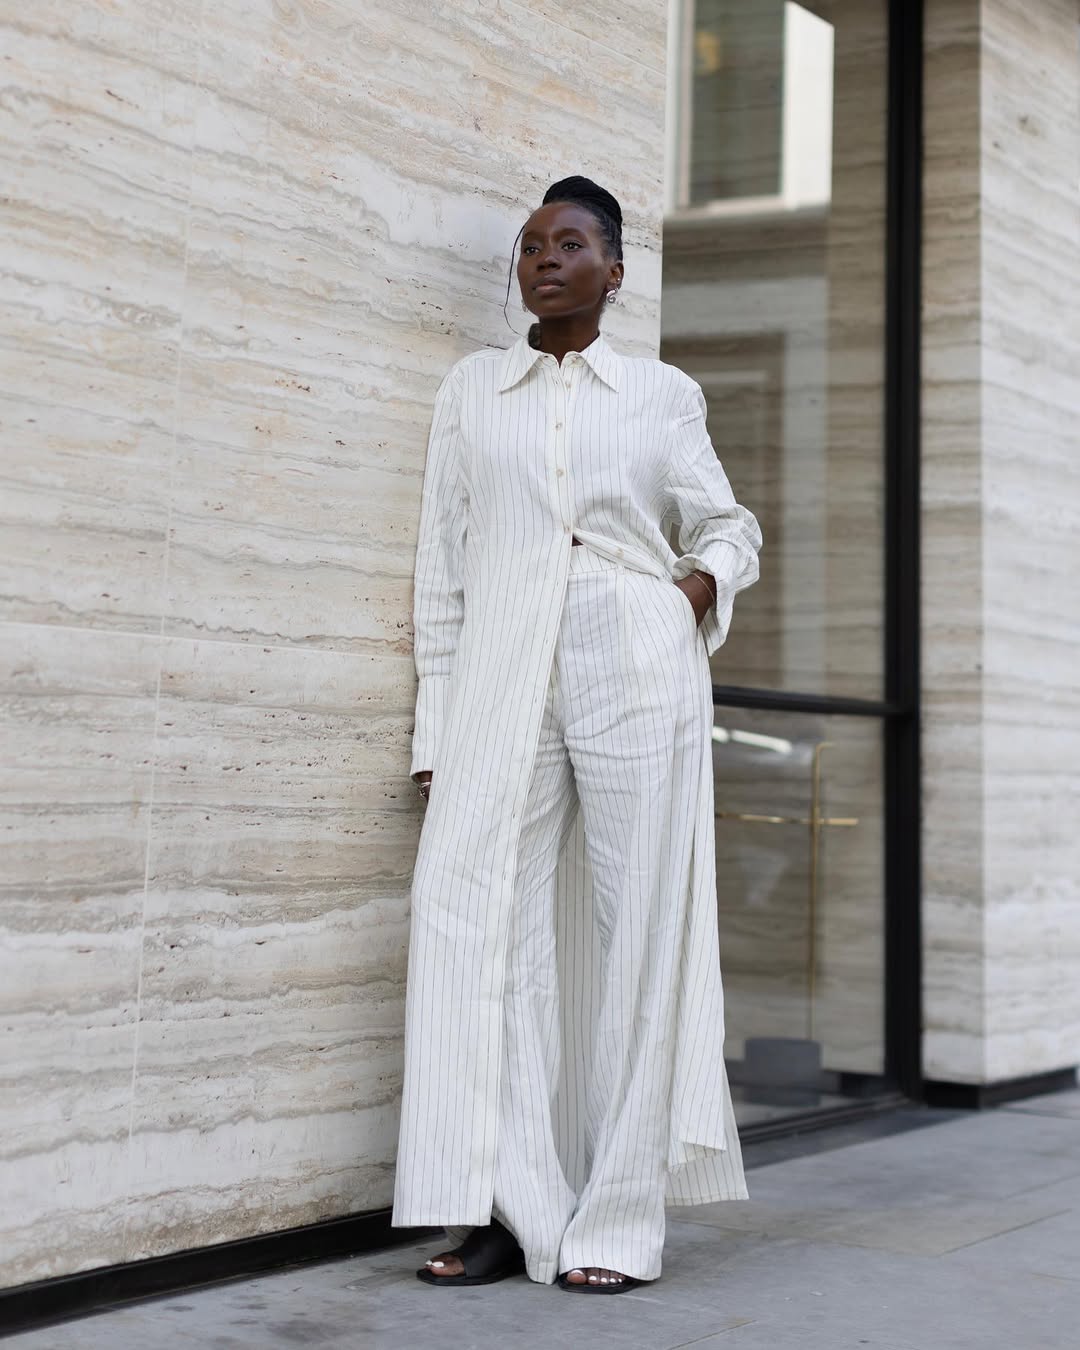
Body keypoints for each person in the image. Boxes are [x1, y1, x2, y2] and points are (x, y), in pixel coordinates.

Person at [391, 176, 762, 1292]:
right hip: (504, 664)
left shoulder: (659, 394)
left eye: (569, 243)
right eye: (529, 246)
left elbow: (727, 520)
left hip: (635, 656)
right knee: (471, 917)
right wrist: (436, 725)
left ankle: (618, 1220)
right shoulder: (474, 391)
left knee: (639, 922)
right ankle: (514, 1207)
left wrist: (695, 590)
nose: (543, 259)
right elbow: (441, 569)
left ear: (614, 268)